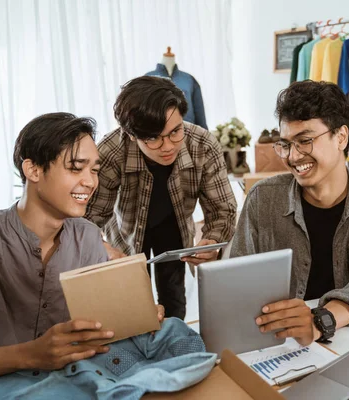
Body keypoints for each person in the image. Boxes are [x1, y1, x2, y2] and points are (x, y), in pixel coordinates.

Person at [0, 113, 164, 378]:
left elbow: (103, 328)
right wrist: (30, 354)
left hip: (74, 383)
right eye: (76, 167)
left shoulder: (89, 238)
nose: (91, 182)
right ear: (33, 170)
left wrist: (137, 316)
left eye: (94, 170)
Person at [231, 80, 349, 346]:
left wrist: (319, 321)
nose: (293, 156)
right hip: (277, 338)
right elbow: (238, 278)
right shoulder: (263, 198)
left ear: (341, 137)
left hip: (345, 332)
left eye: (305, 141)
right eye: (286, 144)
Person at [85, 76, 237, 320]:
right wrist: (103, 249)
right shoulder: (110, 152)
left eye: (175, 131)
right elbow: (89, 219)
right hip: (126, 233)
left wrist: (212, 240)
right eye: (153, 138)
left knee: (173, 296)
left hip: (174, 226)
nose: (167, 146)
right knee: (134, 301)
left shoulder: (203, 144)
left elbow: (223, 210)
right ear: (131, 135)